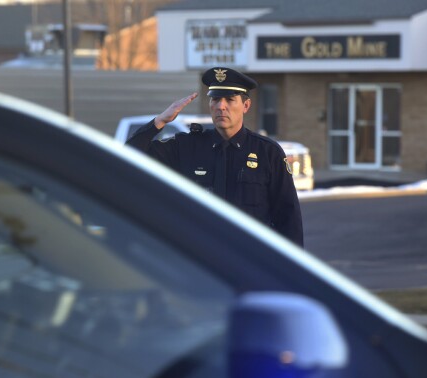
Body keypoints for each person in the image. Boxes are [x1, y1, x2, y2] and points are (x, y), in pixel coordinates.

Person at [127, 67, 303, 247]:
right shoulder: (187, 146)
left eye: (229, 100)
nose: (221, 106)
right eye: (215, 99)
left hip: (251, 262)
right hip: (202, 263)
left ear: (246, 106)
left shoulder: (267, 152)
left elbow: (288, 218)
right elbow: (130, 156)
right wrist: (161, 121)